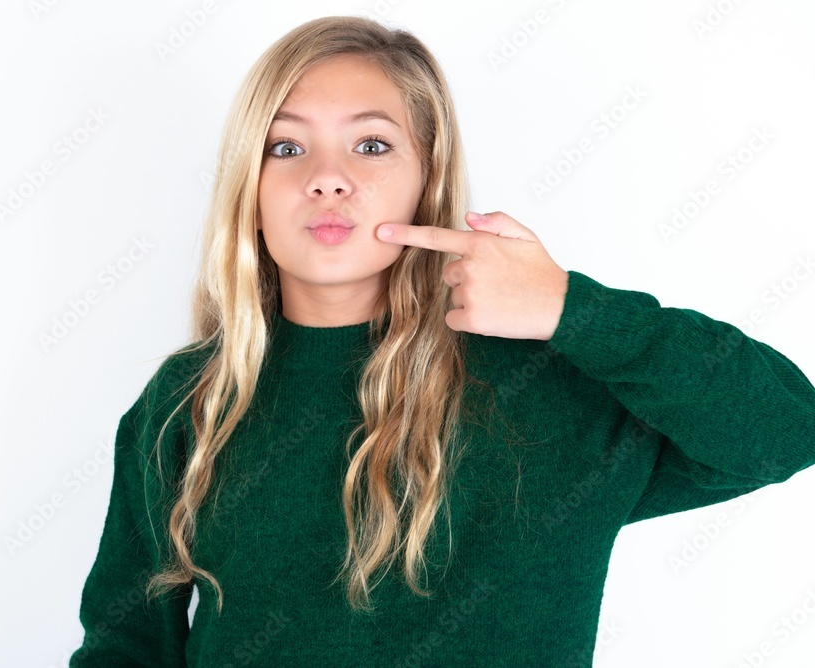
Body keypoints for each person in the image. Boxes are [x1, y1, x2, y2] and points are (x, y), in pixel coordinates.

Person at [68, 15, 815, 667]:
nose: (327, 178)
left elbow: (787, 429)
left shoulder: (550, 384)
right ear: (249, 190)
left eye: (371, 145)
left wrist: (572, 309)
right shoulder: (188, 402)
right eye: (286, 148)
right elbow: (126, 648)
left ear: (428, 179)